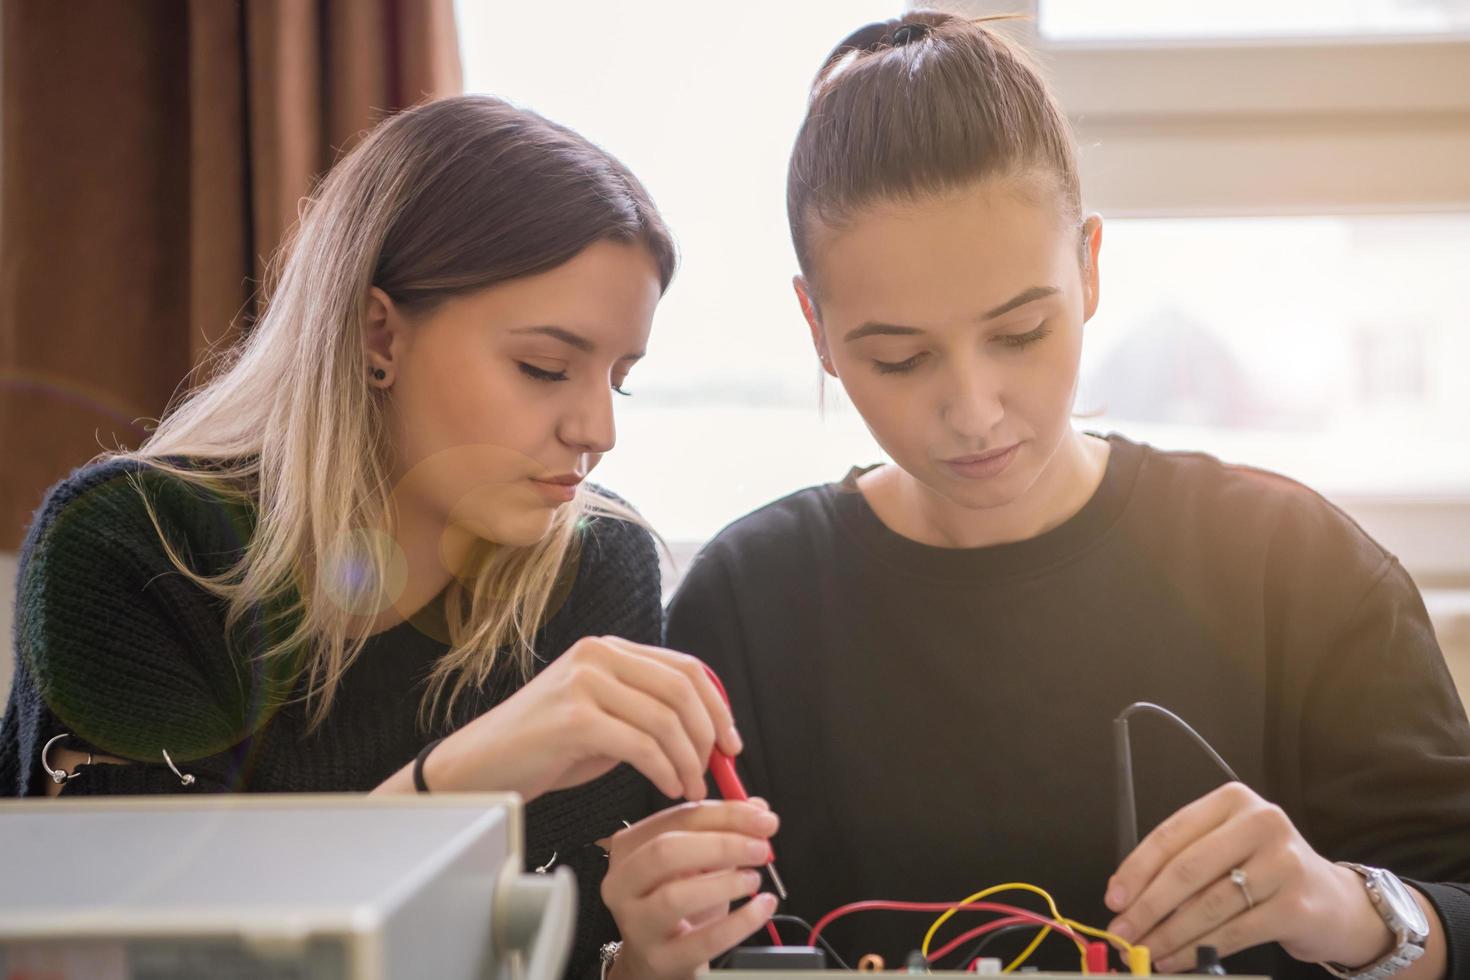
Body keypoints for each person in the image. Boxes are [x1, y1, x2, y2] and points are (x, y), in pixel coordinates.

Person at [666, 14, 1470, 980]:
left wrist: (1349, 909)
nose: (973, 410)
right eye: (899, 357)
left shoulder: (1293, 565)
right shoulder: (745, 607)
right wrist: (637, 957)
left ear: (1088, 268)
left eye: (1019, 333)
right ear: (815, 326)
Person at [1, 95, 779, 980]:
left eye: (621, 378)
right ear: (380, 333)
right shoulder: (131, 553)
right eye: (545, 368)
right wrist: (458, 786)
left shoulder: (598, 568)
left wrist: (642, 959)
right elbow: (140, 960)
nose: (598, 428)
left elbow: (568, 962)